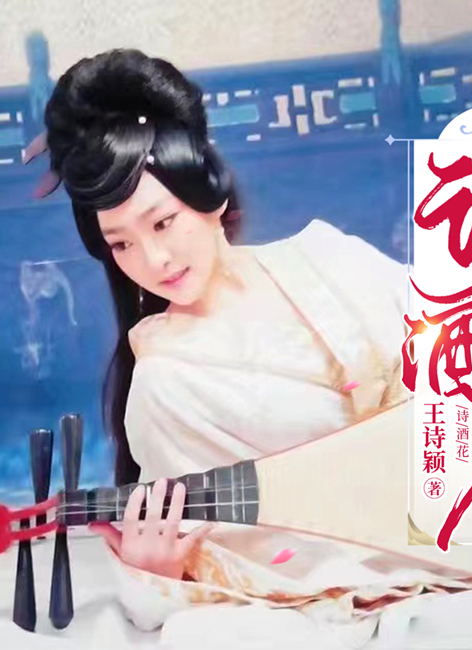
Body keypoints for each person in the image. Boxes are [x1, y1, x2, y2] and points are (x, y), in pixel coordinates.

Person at [41, 48, 411, 632]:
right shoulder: (163, 385)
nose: (154, 259)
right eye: (121, 243)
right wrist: (157, 570)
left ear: (210, 192)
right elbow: (237, 558)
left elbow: (469, 346)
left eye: (163, 222)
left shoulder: (325, 258)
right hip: (370, 578)